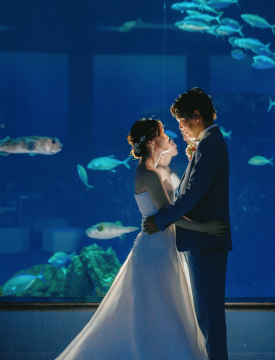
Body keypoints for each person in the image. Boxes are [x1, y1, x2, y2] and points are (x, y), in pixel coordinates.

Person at [55, 117, 226, 359]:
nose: (167, 137)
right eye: (162, 134)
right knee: (161, 307)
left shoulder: (150, 170)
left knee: (164, 305)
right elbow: (169, 215)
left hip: (160, 243)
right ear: (151, 142)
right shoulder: (148, 173)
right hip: (156, 247)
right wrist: (205, 228)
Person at [143, 87, 232, 360]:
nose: (181, 127)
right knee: (206, 314)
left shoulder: (210, 144)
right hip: (202, 240)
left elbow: (193, 194)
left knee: (209, 315)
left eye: (182, 121)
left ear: (196, 115)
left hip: (206, 242)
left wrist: (160, 220)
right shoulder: (208, 143)